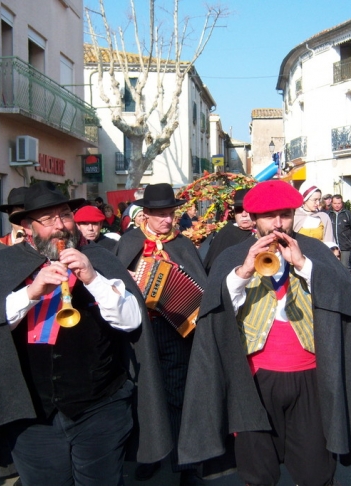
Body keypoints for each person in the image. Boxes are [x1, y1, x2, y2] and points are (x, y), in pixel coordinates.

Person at [0, 182, 172, 486]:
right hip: (30, 414)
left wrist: (93, 278)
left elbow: (132, 321)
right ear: (28, 228)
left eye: (65, 215)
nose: (60, 226)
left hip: (100, 408)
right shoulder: (3, 262)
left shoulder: (101, 258)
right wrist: (32, 291)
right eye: (48, 219)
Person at [178, 180, 351, 485]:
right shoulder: (234, 255)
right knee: (258, 475)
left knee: (317, 474)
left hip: (311, 378)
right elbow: (216, 316)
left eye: (285, 215)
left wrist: (303, 264)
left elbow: (348, 303)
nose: (278, 224)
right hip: (254, 382)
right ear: (253, 218)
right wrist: (242, 273)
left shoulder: (314, 251)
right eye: (269, 216)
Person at [116, 183, 207, 486]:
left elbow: (198, 286)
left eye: (170, 214)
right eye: (161, 215)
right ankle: (149, 456)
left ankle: (186, 463)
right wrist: (128, 280)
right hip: (140, 330)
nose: (168, 220)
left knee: (179, 393)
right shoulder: (129, 242)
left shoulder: (183, 245)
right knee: (143, 392)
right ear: (146, 214)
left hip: (176, 329)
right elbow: (112, 286)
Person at [203, 188, 256, 274]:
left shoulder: (262, 231)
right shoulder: (226, 234)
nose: (244, 214)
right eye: (239, 209)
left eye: (248, 209)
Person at [328, 194, 351, 270]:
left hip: (345, 246)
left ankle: (348, 281)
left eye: (339, 203)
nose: (337, 205)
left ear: (342, 203)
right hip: (332, 246)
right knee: (333, 267)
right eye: (335, 203)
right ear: (331, 203)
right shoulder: (328, 214)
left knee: (345, 268)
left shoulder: (347, 214)